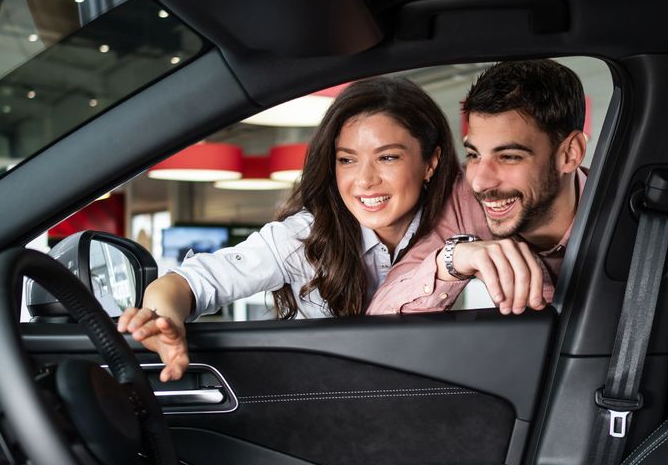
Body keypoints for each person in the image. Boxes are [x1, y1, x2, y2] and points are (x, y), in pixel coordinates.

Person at [118, 76, 459, 380]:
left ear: (431, 162)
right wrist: (163, 320)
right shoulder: (303, 236)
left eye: (388, 157)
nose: (365, 180)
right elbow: (189, 283)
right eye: (347, 160)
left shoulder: (461, 222)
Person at [366, 59, 587, 316]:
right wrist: (452, 261)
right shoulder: (463, 199)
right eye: (474, 155)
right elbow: (381, 313)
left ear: (570, 154)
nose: (480, 182)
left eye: (508, 157)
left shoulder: (628, 221)